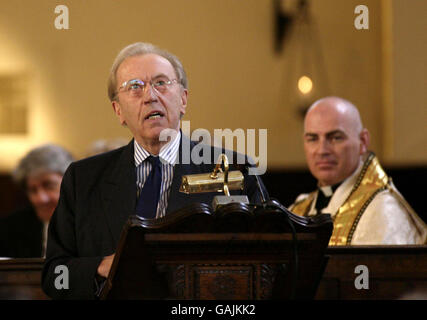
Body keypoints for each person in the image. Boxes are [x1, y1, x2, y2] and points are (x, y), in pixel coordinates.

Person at [42, 42, 268, 299]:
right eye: (135, 87)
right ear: (119, 111)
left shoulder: (235, 172)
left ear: (183, 99)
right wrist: (101, 266)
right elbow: (54, 275)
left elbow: (265, 264)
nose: (150, 96)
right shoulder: (83, 179)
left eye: (161, 83)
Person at [289, 96, 427, 245]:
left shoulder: (382, 209)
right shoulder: (299, 209)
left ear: (363, 141)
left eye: (335, 138)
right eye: (313, 139)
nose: (322, 150)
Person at [0, 144, 74, 258]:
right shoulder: (11, 229)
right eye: (33, 190)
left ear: (70, 183)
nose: (41, 199)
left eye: (49, 186)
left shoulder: (90, 224)